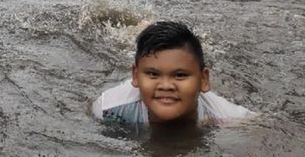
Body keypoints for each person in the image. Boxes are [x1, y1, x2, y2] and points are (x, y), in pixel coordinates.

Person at [92, 21, 255, 125]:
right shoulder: (108, 109)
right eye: (153, 74)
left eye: (180, 75)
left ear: (204, 80)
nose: (166, 86)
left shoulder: (231, 118)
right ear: (135, 76)